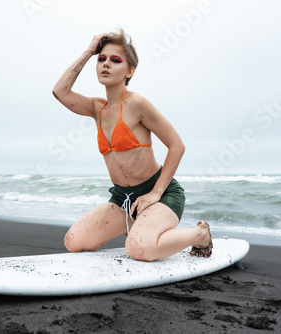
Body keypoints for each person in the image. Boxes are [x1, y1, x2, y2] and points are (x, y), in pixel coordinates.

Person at [52, 28, 213, 261]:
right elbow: (60, 91)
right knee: (73, 242)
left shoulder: (137, 104)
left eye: (115, 60)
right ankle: (138, 226)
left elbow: (177, 146)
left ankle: (200, 234)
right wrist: (89, 51)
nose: (106, 64)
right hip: (123, 200)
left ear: (130, 70)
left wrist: (156, 193)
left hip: (162, 195)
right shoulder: (97, 109)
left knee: (138, 249)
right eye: (102, 59)